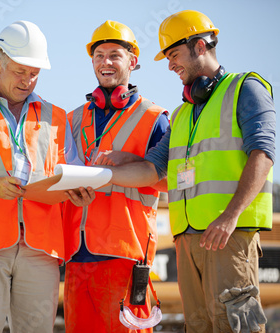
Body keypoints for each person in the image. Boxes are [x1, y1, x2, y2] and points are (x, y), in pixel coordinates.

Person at [99, 10, 275, 333]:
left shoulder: (245, 89)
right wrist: (107, 173)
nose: (170, 65)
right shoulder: (181, 115)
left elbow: (263, 153)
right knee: (199, 325)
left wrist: (230, 214)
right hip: (188, 243)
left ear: (198, 46)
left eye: (174, 55)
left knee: (234, 325)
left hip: (228, 236)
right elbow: (151, 170)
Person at [0, 20, 94, 333]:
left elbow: (68, 173)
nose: (27, 80)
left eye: (34, 73)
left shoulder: (55, 116)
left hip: (41, 247)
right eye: (20, 71)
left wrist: (79, 190)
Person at [61, 20, 170, 333]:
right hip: (77, 254)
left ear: (132, 61)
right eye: (98, 55)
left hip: (126, 254)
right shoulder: (73, 119)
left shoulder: (153, 118)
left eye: (114, 55)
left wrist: (132, 163)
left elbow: (168, 182)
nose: (105, 62)